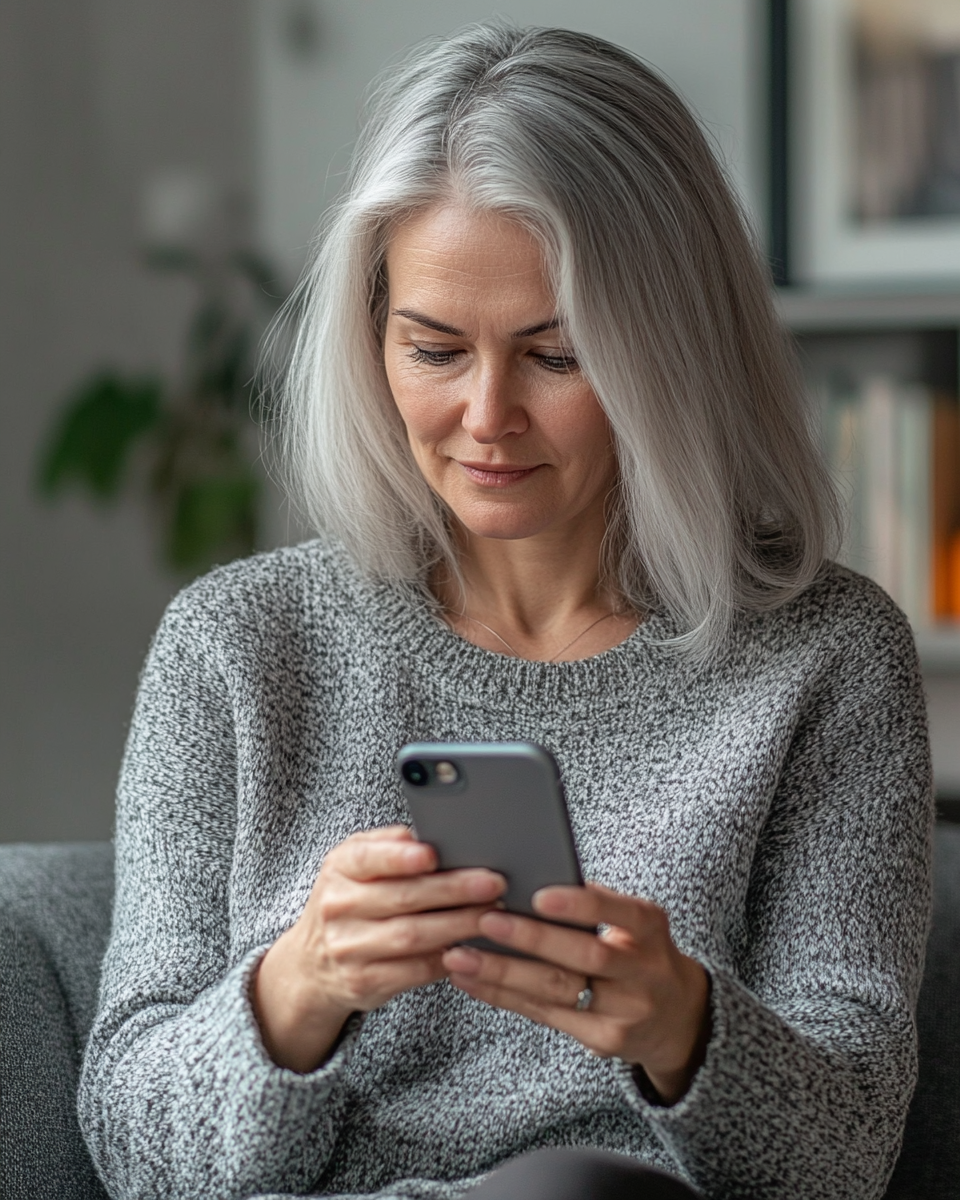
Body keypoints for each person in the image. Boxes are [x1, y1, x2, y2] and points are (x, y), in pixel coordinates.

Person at [78, 21, 934, 1200]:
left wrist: (683, 1029)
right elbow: (132, 1149)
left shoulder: (823, 660)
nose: (486, 416)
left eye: (557, 355)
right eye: (433, 348)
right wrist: (300, 988)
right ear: (371, 337)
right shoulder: (240, 648)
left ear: (670, 349)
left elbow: (843, 1158)